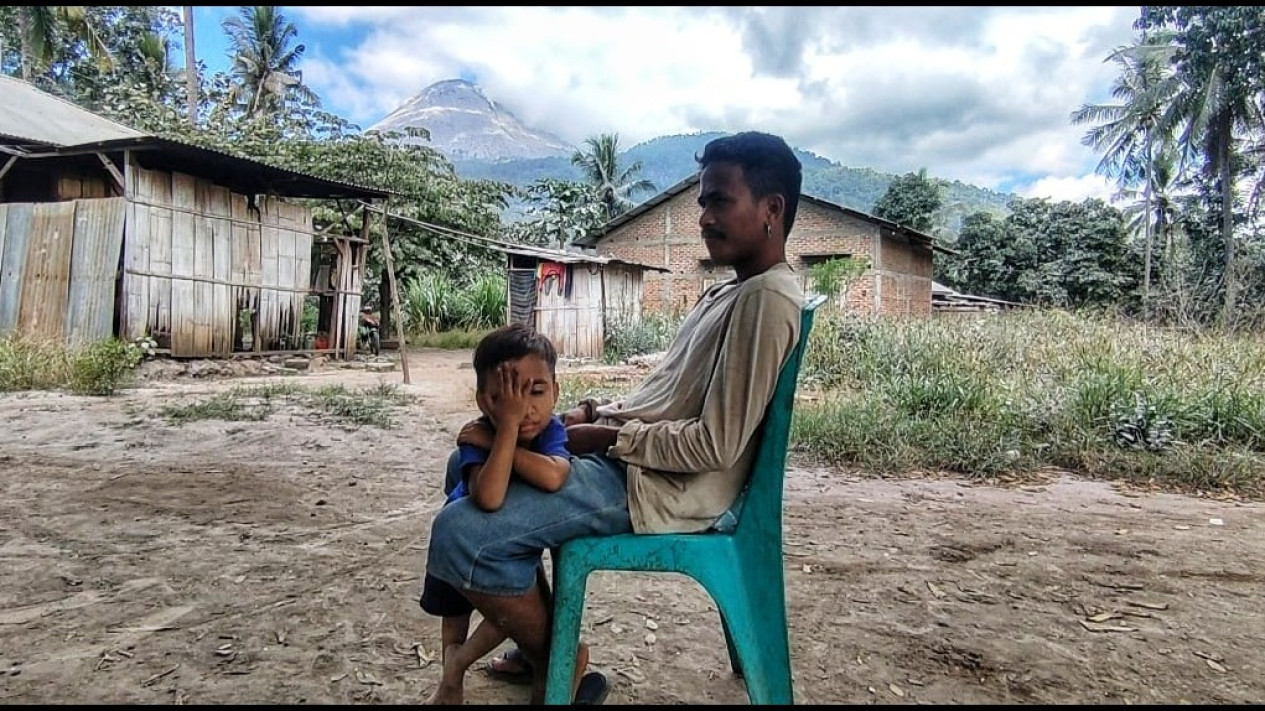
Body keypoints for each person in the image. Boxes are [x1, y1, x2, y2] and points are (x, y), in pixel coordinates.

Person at [425, 130, 806, 704]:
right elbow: (664, 396)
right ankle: (545, 653)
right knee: (467, 463)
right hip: (633, 463)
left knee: (461, 535)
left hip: (661, 487)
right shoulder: (728, 294)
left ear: (771, 210)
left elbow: (716, 446)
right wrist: (590, 412)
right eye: (702, 201)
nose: (703, 216)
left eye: (719, 200)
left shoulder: (767, 300)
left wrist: (605, 437)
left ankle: (557, 658)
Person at [418, 323, 601, 705]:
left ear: (556, 391)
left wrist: (506, 435)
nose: (524, 409)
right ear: (484, 401)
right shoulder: (478, 435)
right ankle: (450, 683)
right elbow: (489, 497)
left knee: (506, 615)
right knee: (453, 616)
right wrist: (504, 431)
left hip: (505, 557)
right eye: (506, 397)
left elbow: (553, 476)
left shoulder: (550, 431)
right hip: (462, 552)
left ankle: (459, 666)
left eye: (535, 392)